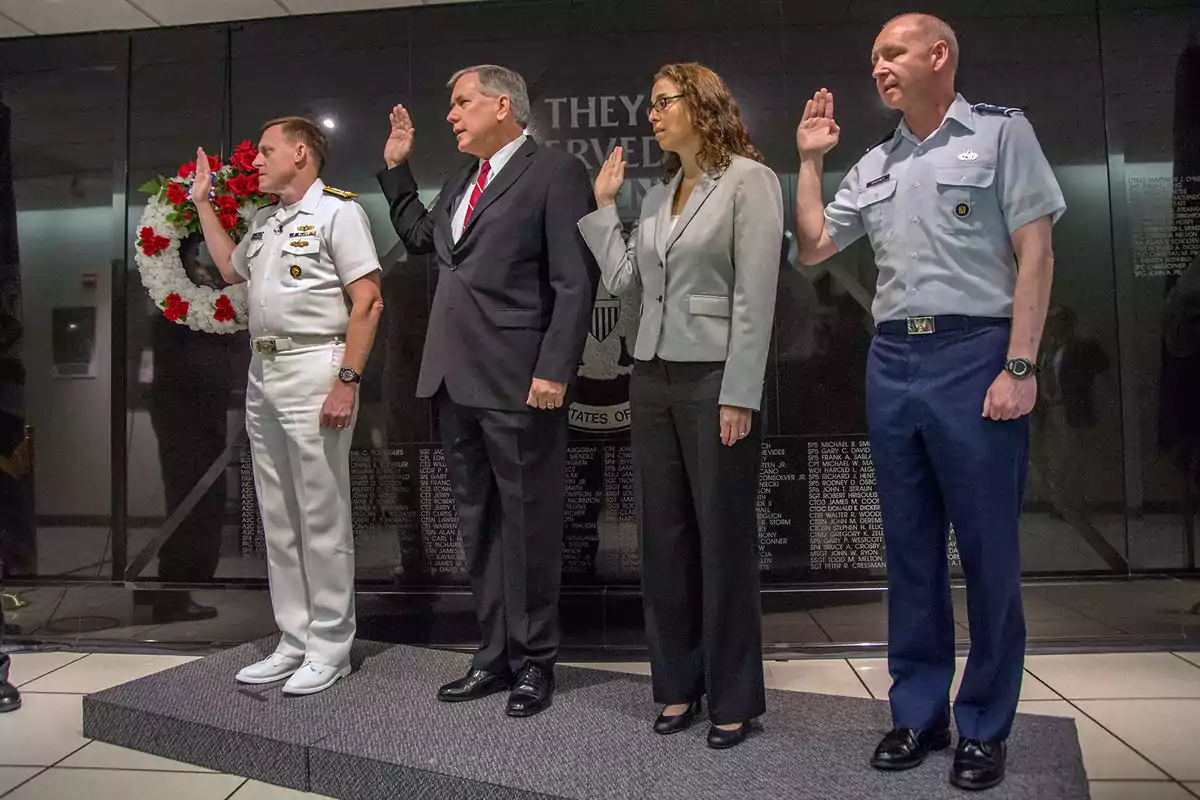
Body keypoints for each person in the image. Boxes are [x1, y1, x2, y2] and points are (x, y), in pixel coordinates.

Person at [793, 13, 1065, 791]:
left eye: (893, 52)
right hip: (893, 357)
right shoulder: (874, 163)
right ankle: (918, 713)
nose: (878, 66)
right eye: (874, 56)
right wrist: (812, 163)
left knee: (988, 552)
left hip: (975, 352)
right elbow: (814, 246)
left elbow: (1036, 253)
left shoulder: (1002, 135)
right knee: (910, 552)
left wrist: (1021, 363)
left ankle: (984, 724)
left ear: (938, 55)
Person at [377, 65, 598, 718]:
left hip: (520, 381)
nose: (450, 114)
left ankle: (535, 662)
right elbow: (425, 240)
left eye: (461, 102)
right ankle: (493, 654)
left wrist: (555, 368)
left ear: (504, 105)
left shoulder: (555, 170)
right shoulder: (463, 180)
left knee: (528, 526)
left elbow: (575, 281)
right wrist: (396, 171)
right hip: (455, 379)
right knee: (479, 526)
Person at [579, 63, 782, 749]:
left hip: (714, 379)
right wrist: (606, 209)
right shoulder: (663, 190)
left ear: (701, 106)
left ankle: (733, 697)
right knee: (662, 542)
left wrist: (739, 392)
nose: (652, 116)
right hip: (653, 378)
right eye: (651, 104)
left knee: (723, 541)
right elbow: (628, 283)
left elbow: (757, 295)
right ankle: (677, 686)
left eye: (664, 102)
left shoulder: (751, 181)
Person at [191, 117, 384, 696]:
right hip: (265, 370)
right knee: (279, 515)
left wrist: (346, 381)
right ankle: (294, 640)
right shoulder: (266, 220)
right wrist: (203, 204)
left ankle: (331, 647)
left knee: (321, 514)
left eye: (266, 151)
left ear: (300, 153)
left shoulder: (338, 212)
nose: (255, 160)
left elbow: (369, 299)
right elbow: (230, 271)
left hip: (316, 367)